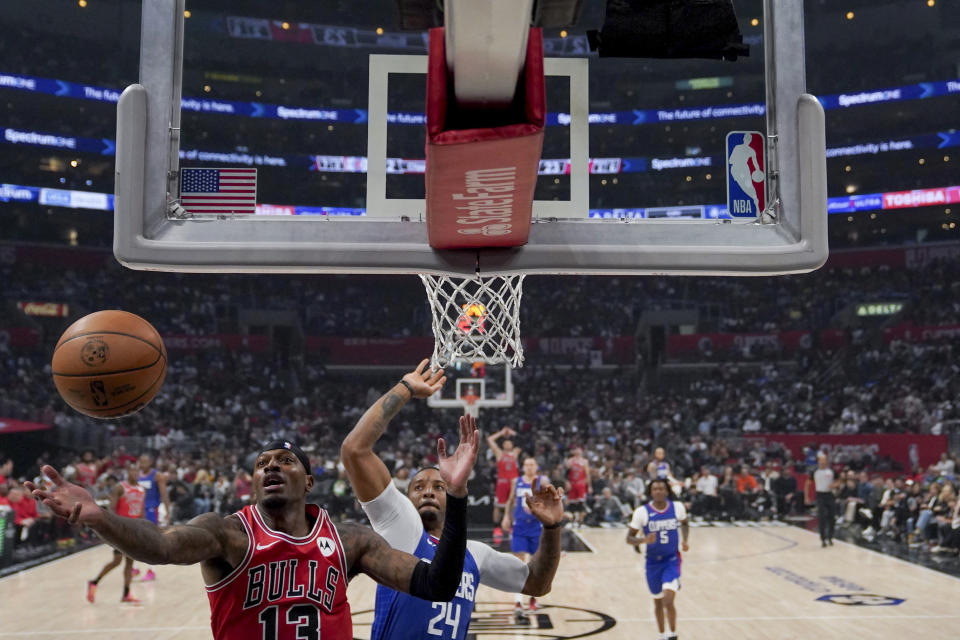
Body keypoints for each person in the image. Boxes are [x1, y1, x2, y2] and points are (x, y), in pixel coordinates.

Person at [26, 433, 478, 640]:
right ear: (253, 483)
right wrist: (98, 516)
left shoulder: (348, 540)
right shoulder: (227, 534)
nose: (272, 467)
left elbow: (438, 584)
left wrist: (456, 496)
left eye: (285, 460)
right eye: (263, 464)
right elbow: (161, 546)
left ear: (308, 482)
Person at [340, 360, 564, 639]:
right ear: (405, 500)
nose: (428, 491)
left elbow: (537, 583)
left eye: (438, 486)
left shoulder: (475, 554)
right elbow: (354, 450)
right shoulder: (400, 529)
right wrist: (405, 388)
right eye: (418, 487)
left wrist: (553, 529)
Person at [626, 478, 689, 640]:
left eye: (662, 488)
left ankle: (673, 634)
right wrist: (643, 540)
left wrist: (685, 540)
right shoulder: (642, 512)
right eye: (655, 489)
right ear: (651, 492)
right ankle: (662, 634)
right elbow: (629, 538)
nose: (658, 491)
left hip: (672, 559)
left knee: (668, 598)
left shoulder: (677, 507)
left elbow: (685, 523)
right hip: (652, 562)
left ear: (667, 491)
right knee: (658, 601)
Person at [501, 456, 552, 622]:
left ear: (537, 466)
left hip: (536, 526)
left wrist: (543, 512)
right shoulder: (516, 481)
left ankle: (533, 597)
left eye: (532, 464)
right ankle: (518, 601)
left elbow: (549, 501)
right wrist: (506, 517)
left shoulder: (542, 481)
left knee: (536, 564)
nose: (529, 467)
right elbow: (510, 500)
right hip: (520, 526)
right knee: (520, 563)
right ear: (523, 467)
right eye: (526, 464)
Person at [87, 462, 144, 604]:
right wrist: (114, 528)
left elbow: (141, 511)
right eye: (133, 471)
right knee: (117, 561)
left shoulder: (142, 489)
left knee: (130, 563)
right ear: (128, 472)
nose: (135, 474)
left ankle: (126, 594)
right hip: (121, 529)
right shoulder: (120, 488)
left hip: (134, 529)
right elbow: (111, 509)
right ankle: (94, 582)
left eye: (137, 471)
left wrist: (144, 527)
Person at [136, 453, 171, 581]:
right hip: (137, 511)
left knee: (150, 541)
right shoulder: (136, 474)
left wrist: (168, 511)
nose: (142, 464)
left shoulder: (157, 475)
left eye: (145, 461)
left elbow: (164, 494)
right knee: (136, 540)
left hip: (151, 510)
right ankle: (135, 567)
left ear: (150, 462)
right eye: (140, 461)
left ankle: (151, 570)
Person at [487, 426, 521, 540]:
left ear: (511, 444)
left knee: (512, 506)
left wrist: (513, 433)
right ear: (503, 445)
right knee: (498, 506)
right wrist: (501, 433)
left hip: (514, 482)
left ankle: (510, 526)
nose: (507, 444)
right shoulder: (499, 453)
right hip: (502, 482)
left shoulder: (515, 453)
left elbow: (523, 441)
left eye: (509, 442)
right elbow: (490, 440)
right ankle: (497, 527)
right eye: (505, 443)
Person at [813, 453, 837, 547]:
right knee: (822, 516)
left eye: (824, 460)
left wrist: (835, 485)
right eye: (821, 460)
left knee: (832, 516)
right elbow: (808, 483)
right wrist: (806, 496)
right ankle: (823, 538)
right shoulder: (815, 471)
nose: (823, 462)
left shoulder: (831, 471)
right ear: (819, 461)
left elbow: (839, 480)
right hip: (820, 494)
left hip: (829, 494)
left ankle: (830, 537)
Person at [565, 446, 592, 527]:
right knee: (572, 504)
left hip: (581, 484)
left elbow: (587, 474)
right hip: (572, 484)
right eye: (576, 450)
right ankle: (573, 521)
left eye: (579, 450)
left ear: (581, 452)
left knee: (581, 503)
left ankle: (580, 521)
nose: (577, 452)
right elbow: (566, 473)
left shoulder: (585, 461)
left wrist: (589, 486)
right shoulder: (570, 461)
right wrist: (567, 482)